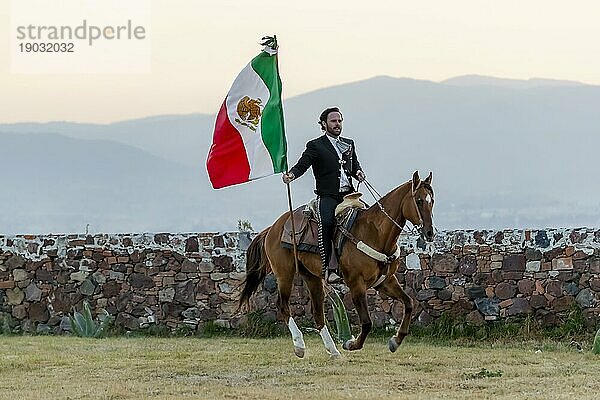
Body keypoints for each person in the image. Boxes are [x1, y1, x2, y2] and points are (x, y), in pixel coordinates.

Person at [283, 107, 366, 283]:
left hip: (348, 196)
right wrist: (291, 175)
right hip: (327, 196)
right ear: (324, 124)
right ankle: (330, 268)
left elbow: (354, 166)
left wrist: (358, 172)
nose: (337, 124)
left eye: (340, 121)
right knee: (327, 223)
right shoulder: (315, 145)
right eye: (333, 121)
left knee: (368, 217)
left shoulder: (349, 143)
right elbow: (302, 165)